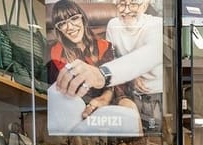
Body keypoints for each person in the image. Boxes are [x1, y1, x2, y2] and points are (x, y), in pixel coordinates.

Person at [55, 0, 163, 133]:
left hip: (152, 93)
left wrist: (106, 81)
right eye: (122, 4)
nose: (127, 10)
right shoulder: (113, 25)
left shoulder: (157, 25)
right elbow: (115, 59)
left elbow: (150, 54)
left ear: (145, 6)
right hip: (125, 92)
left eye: (134, 4)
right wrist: (130, 77)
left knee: (155, 135)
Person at [46, 0, 137, 121]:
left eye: (73, 18)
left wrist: (104, 98)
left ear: (82, 19)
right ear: (59, 30)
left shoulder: (104, 46)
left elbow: (116, 81)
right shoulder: (55, 53)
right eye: (62, 23)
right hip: (77, 107)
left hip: (109, 100)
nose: (70, 27)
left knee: (128, 105)